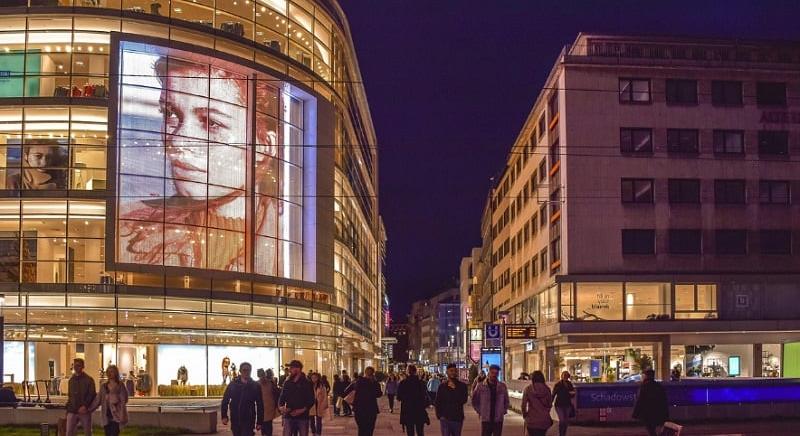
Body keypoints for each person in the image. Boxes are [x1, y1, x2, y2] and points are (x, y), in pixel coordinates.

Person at [118, 55, 282, 273]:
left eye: (211, 123)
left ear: (264, 146)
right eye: (169, 113)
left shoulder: (293, 244)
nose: (177, 141)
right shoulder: (123, 228)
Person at [221, 362, 264, 436]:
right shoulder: (233, 385)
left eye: (248, 370)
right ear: (240, 371)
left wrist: (259, 422)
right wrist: (224, 416)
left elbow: (260, 404)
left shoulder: (255, 386)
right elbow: (225, 400)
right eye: (244, 370)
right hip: (235, 419)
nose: (246, 372)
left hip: (249, 419)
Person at [278, 360, 315, 436]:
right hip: (289, 415)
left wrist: (302, 410)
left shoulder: (307, 383)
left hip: (303, 417)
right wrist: (281, 407)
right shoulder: (287, 383)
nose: (290, 370)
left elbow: (311, 400)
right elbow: (282, 397)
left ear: (298, 369)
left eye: (291, 368)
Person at [343, 366, 383, 436]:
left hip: (359, 409)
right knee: (369, 430)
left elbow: (345, 391)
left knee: (361, 429)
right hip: (371, 410)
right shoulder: (374, 383)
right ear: (373, 374)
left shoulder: (358, 382)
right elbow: (379, 394)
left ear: (365, 373)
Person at [471, 364, 508, 436]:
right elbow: (474, 400)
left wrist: (503, 411)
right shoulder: (481, 386)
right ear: (489, 373)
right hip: (486, 418)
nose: (494, 375)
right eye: (492, 373)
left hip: (498, 419)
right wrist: (480, 411)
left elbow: (506, 401)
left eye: (496, 373)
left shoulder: (502, 386)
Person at [632, 369, 669, 436]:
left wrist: (635, 413)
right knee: (652, 429)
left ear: (646, 376)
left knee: (650, 429)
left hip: (647, 413)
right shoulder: (658, 386)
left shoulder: (644, 386)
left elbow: (639, 400)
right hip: (657, 411)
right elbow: (663, 400)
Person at [65, 358, 97, 436]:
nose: (76, 367)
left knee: (87, 432)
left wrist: (85, 406)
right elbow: (70, 395)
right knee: (69, 432)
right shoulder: (71, 380)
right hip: (72, 410)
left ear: (83, 366)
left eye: (78, 365)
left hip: (84, 410)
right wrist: (68, 409)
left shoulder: (89, 380)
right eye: (75, 365)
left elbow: (92, 394)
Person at [95, 365, 128, 436]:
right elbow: (98, 400)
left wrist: (122, 414)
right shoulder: (103, 386)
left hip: (117, 414)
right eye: (108, 372)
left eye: (112, 371)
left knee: (114, 432)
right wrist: (89, 408)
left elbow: (124, 400)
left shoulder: (120, 385)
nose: (109, 373)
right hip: (106, 414)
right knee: (107, 433)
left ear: (116, 373)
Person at [435, 364, 468, 436]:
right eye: (451, 371)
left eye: (455, 371)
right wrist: (439, 415)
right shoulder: (442, 386)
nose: (453, 372)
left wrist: (454, 389)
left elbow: (464, 400)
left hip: (457, 418)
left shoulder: (462, 386)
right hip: (445, 418)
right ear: (447, 372)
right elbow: (438, 401)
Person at [397, 365, 429, 436]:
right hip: (419, 410)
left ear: (407, 372)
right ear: (415, 371)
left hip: (408, 410)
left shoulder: (403, 383)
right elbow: (425, 395)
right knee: (420, 431)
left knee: (410, 431)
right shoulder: (421, 383)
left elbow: (399, 397)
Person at [521, 371, 553, 436]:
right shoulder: (547, 389)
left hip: (532, 420)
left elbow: (523, 405)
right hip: (544, 420)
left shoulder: (528, 389)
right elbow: (549, 404)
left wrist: (525, 415)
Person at [552, 371, 576, 436]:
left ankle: (563, 434)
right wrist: (550, 402)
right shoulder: (558, 384)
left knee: (566, 421)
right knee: (562, 419)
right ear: (562, 376)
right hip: (559, 404)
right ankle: (561, 434)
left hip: (567, 404)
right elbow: (553, 394)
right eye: (564, 375)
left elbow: (573, 394)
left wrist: (572, 394)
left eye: (567, 375)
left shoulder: (569, 384)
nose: (565, 377)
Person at [258, 368, 280, 436]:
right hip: (262, 407)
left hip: (269, 407)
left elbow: (276, 394)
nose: (262, 377)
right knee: (264, 424)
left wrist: (277, 405)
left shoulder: (270, 383)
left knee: (268, 424)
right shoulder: (257, 384)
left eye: (263, 375)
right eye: (260, 375)